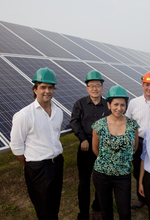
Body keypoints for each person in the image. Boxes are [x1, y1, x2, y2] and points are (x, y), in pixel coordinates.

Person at [10, 68, 64, 220]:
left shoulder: (58, 112)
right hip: (38, 168)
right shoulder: (24, 115)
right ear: (35, 89)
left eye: (51, 87)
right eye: (43, 87)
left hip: (57, 164)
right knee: (44, 210)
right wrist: (28, 166)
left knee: (54, 206)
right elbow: (16, 147)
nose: (47, 91)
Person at [92, 85, 139, 220]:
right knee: (106, 211)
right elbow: (95, 148)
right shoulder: (99, 125)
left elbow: (134, 147)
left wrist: (120, 161)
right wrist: (108, 161)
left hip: (123, 175)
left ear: (126, 106)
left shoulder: (132, 125)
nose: (119, 108)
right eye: (116, 104)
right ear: (109, 104)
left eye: (122, 105)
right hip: (102, 174)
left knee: (124, 212)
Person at [70, 70, 110, 220]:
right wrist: (83, 139)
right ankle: (83, 212)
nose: (95, 88)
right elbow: (74, 122)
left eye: (98, 85)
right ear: (87, 88)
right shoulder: (79, 104)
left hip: (102, 149)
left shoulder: (108, 105)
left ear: (102, 87)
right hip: (85, 147)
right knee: (84, 182)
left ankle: (98, 207)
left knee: (101, 180)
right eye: (91, 85)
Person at [125, 71, 150, 209]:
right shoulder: (134, 103)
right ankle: (141, 198)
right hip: (138, 142)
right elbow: (127, 123)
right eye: (147, 85)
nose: (149, 88)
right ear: (142, 85)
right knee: (138, 171)